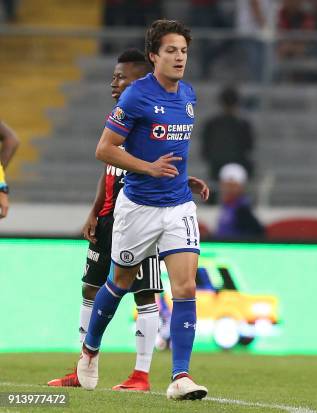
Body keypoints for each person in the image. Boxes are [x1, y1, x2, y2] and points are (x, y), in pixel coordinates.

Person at [77, 20, 210, 400]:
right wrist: (148, 168)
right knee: (118, 283)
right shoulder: (135, 96)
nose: (179, 57)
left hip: (177, 207)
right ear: (154, 56)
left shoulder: (188, 94)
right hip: (137, 207)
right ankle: (90, 351)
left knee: (184, 288)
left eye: (183, 50)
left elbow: (170, 149)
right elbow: (105, 149)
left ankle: (181, 376)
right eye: (170, 50)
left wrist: (185, 178)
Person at [46, 49, 162, 391]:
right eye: (113, 76)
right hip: (110, 218)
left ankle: (140, 375)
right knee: (90, 287)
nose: (114, 82)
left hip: (141, 214)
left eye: (120, 76)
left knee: (144, 294)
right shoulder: (119, 115)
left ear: (140, 80)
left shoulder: (154, 119)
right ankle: (84, 370)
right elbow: (108, 168)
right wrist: (94, 212)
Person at [201, 86, 255, 183]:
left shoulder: (212, 124)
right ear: (237, 103)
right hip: (237, 164)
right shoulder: (242, 124)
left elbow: (205, 148)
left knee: (214, 189)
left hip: (216, 165)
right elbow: (249, 146)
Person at [214, 163, 264, 240]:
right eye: (226, 185)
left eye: (232, 186)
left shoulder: (243, 209)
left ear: (241, 187)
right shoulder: (226, 206)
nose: (228, 189)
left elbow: (257, 233)